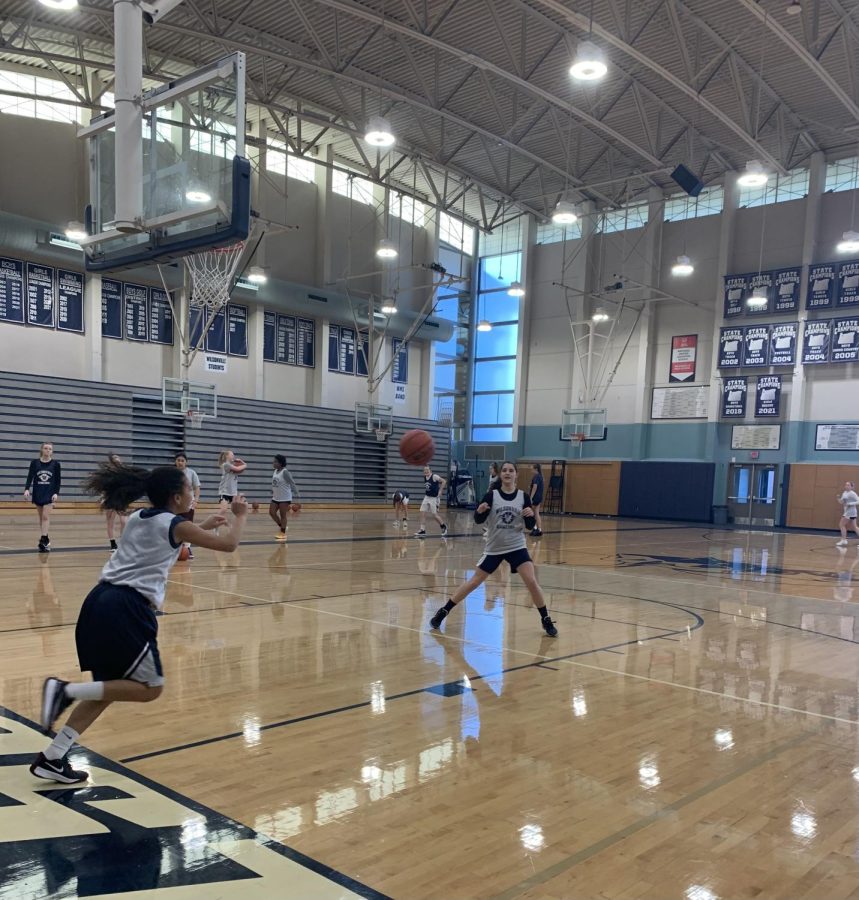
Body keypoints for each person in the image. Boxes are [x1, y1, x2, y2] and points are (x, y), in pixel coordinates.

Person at [29, 461, 247, 784]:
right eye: (189, 490)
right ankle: (66, 691)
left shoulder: (137, 518)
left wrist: (202, 523)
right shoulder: (176, 525)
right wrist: (239, 515)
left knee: (108, 689)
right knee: (150, 689)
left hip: (99, 601)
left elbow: (163, 541)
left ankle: (53, 756)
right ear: (175, 497)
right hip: (126, 609)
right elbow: (228, 545)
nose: (192, 494)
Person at [429, 460, 557, 637]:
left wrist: (530, 517)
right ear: (501, 474)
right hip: (494, 547)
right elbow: (478, 520)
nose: (507, 473)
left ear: (516, 475)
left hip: (516, 546)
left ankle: (546, 619)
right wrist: (479, 511)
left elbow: (529, 526)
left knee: (532, 581)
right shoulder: (491, 495)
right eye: (504, 470)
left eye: (511, 470)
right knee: (474, 581)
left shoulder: (523, 497)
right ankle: (443, 611)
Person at [23, 442, 61, 552]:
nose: (48, 450)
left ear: (52, 451)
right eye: (46, 448)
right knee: (41, 518)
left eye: (50, 449)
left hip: (49, 493)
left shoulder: (56, 464)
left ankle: (43, 540)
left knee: (45, 517)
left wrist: (56, 493)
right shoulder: (34, 463)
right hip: (38, 492)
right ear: (42, 450)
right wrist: (26, 489)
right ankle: (46, 538)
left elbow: (58, 480)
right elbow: (30, 476)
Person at [175, 453, 201, 559]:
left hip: (188, 504)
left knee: (188, 525)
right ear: (175, 461)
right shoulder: (172, 473)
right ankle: (176, 548)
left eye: (182, 460)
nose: (180, 462)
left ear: (186, 462)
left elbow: (197, 487)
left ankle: (187, 547)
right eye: (178, 460)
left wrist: (196, 500)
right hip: (176, 504)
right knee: (176, 526)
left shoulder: (191, 473)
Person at [270, 454, 301, 541]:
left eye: (275, 461)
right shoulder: (275, 471)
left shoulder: (285, 472)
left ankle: (283, 533)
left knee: (283, 515)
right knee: (271, 512)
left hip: (285, 498)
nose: (273, 463)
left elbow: (292, 483)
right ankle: (282, 526)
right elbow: (275, 483)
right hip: (276, 497)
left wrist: (297, 496)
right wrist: (272, 490)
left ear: (280, 463)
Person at [104, 453, 128, 552]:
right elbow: (104, 488)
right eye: (115, 460)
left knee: (124, 521)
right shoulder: (108, 474)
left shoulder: (124, 473)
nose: (117, 462)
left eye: (118, 460)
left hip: (120, 499)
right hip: (110, 499)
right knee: (110, 522)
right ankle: (113, 544)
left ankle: (123, 541)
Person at [416, 465, 448, 538]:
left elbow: (444, 481)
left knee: (434, 515)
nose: (426, 471)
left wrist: (440, 491)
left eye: (427, 470)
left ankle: (443, 526)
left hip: (434, 498)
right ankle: (422, 530)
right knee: (422, 512)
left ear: (430, 470)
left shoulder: (434, 476)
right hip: (427, 497)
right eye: (425, 470)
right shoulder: (425, 477)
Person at [836, 481, 859, 547]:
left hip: (850, 512)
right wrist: (838, 499)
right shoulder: (844, 493)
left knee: (841, 524)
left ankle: (844, 540)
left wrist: (850, 504)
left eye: (848, 485)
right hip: (848, 511)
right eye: (846, 485)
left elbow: (858, 501)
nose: (846, 486)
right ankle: (844, 540)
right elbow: (842, 502)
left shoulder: (852, 493)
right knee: (854, 527)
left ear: (852, 487)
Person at [529, 463, 545, 537]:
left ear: (536, 469)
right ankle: (539, 529)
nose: (531, 470)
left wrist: (531, 497)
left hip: (535, 497)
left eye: (532, 468)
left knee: (531, 513)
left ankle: (535, 528)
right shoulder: (540, 476)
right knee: (536, 513)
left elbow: (535, 487)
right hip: (539, 497)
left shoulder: (536, 476)